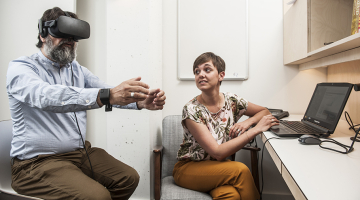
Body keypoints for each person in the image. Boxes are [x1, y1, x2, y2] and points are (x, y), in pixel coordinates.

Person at [6, 7, 166, 200]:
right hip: (36, 163)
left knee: (128, 178)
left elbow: (107, 90)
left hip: (79, 154)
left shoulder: (76, 69)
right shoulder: (22, 68)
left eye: (74, 38)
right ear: (42, 34)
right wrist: (106, 95)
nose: (70, 42)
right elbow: (45, 95)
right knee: (97, 196)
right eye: (63, 36)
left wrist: (139, 103)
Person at [173, 52, 279, 200]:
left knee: (231, 195)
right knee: (241, 170)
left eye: (207, 69)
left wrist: (246, 122)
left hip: (216, 168)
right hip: (188, 169)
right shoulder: (191, 109)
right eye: (197, 71)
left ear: (221, 75)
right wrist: (255, 130)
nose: (200, 74)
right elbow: (217, 152)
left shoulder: (232, 100)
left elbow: (264, 111)